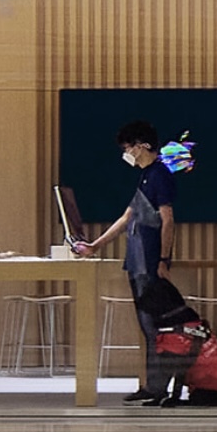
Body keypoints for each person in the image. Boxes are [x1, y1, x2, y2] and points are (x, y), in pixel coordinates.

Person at [71, 121, 177, 405]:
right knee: (146, 326)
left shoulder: (160, 175)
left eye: (128, 147)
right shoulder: (145, 177)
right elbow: (127, 217)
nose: (127, 153)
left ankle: (158, 387)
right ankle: (150, 384)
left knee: (155, 327)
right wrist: (94, 246)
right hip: (137, 261)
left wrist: (164, 260)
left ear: (142, 145)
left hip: (150, 262)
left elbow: (168, 219)